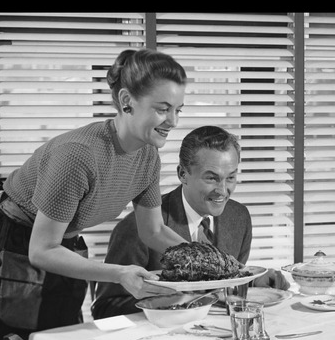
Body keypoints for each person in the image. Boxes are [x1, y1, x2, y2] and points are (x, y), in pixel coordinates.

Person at [0, 48, 190, 340]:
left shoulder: (148, 156)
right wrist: (120, 274)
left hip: (63, 240)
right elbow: (41, 250)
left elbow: (153, 231)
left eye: (178, 110)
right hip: (15, 239)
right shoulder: (78, 155)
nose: (173, 121)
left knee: (62, 339)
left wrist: (214, 264)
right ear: (127, 102)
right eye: (163, 109)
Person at [92, 125, 289, 319]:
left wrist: (253, 282)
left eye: (230, 178)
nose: (222, 190)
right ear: (182, 174)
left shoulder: (239, 217)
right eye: (211, 178)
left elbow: (224, 283)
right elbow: (105, 309)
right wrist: (176, 300)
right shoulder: (138, 227)